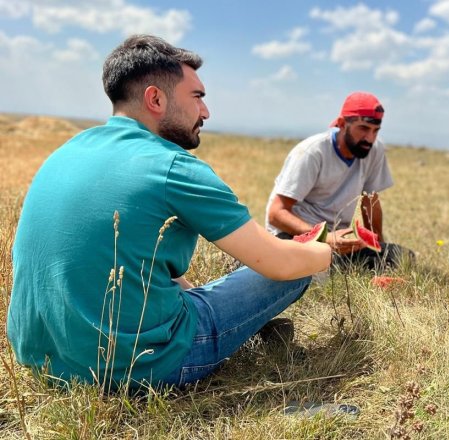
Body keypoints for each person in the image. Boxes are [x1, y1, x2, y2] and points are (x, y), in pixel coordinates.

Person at [7, 35, 331, 390]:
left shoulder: (66, 151)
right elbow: (278, 264)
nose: (205, 112)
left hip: (41, 360)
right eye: (197, 97)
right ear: (156, 98)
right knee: (296, 268)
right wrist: (324, 251)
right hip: (139, 368)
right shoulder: (174, 167)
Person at [265, 92, 413, 272]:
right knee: (315, 269)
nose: (370, 138)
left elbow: (370, 202)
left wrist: (378, 249)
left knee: (404, 258)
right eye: (363, 128)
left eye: (376, 131)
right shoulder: (312, 152)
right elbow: (276, 213)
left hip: (339, 240)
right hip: (294, 235)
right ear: (342, 124)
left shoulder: (374, 150)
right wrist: (325, 238)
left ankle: (333, 267)